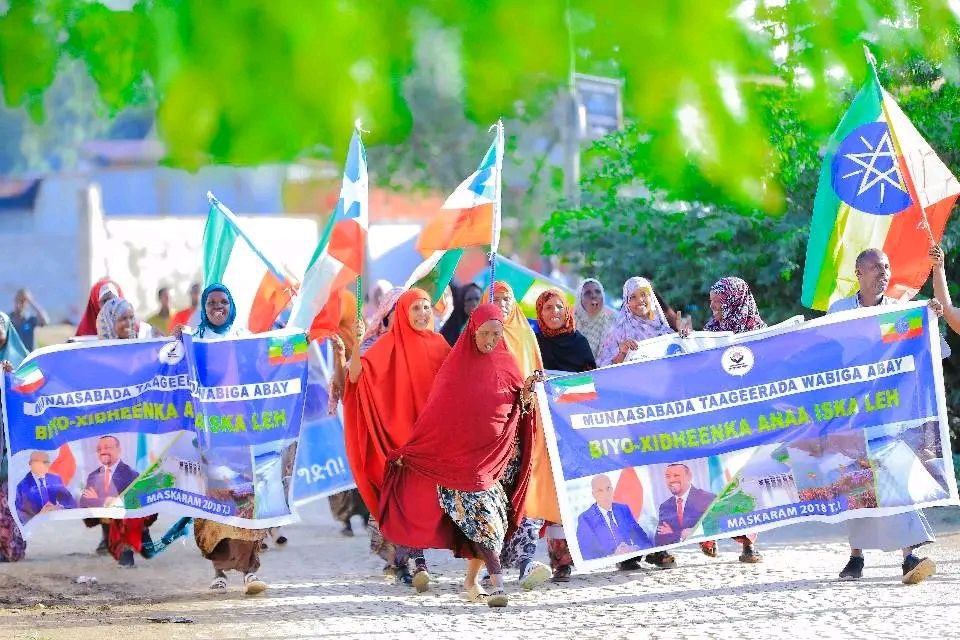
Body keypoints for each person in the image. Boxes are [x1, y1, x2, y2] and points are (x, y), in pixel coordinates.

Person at [379, 304, 541, 607]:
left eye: (496, 333)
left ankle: (470, 582)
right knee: (484, 522)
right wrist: (413, 452)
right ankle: (499, 586)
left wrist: (528, 393)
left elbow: (520, 409)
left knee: (491, 525)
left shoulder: (507, 363)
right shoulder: (454, 369)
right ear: (472, 331)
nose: (491, 340)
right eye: (485, 334)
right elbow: (435, 419)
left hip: (492, 464)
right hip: (457, 466)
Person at [828, 248, 941, 584]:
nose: (883, 273)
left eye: (887, 267)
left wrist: (930, 318)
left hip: (890, 414)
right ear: (858, 273)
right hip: (851, 415)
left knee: (897, 482)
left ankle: (909, 557)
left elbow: (921, 350)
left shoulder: (900, 313)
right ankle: (855, 558)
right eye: (876, 268)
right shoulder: (839, 312)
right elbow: (827, 360)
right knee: (857, 483)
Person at [343, 288, 450, 591]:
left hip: (429, 443)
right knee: (406, 503)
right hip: (397, 444)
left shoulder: (440, 345)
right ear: (401, 312)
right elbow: (356, 380)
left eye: (426, 307)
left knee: (425, 505)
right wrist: (356, 344)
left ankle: (409, 562)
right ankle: (416, 563)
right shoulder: (386, 345)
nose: (421, 314)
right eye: (414, 308)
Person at [173, 284, 269, 594]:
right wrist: (177, 344)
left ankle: (249, 571)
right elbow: (175, 372)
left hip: (241, 434)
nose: (218, 307)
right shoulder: (195, 340)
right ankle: (219, 570)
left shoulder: (243, 339)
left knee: (245, 500)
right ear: (204, 307)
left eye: (223, 301)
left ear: (231, 305)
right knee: (214, 501)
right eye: (212, 302)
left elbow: (265, 370)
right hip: (209, 436)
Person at [485, 281, 552, 590]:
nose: (501, 304)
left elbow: (536, 376)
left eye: (506, 298)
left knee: (526, 488)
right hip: (493, 431)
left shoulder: (525, 333)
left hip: (525, 427)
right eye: (495, 299)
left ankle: (526, 562)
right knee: (495, 497)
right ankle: (492, 563)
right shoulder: (482, 336)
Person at [699, 276, 765, 563]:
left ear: (734, 301)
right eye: (711, 303)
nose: (713, 308)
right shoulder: (709, 333)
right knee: (718, 478)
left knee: (748, 478)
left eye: (719, 303)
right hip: (719, 419)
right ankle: (709, 534)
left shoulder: (759, 332)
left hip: (750, 419)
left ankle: (749, 543)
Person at [533, 289, 595, 581]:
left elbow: (591, 386)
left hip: (575, 430)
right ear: (539, 312)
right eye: (547, 309)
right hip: (545, 429)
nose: (554, 312)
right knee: (555, 493)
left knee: (578, 490)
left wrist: (562, 391)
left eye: (559, 307)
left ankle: (586, 550)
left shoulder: (580, 343)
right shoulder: (534, 343)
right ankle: (561, 561)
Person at [597, 276, 690, 366]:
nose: (640, 300)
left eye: (644, 294)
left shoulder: (663, 328)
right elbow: (606, 368)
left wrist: (684, 337)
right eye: (633, 297)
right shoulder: (618, 333)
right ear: (626, 302)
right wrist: (622, 353)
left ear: (651, 298)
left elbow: (679, 357)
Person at [0, 319, 29, 561]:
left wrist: (13, 376)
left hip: (13, 440)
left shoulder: (20, 358)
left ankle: (12, 545)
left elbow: (36, 387)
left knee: (11, 492)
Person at [576, 474, 653, 561]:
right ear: (593, 494)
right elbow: (587, 555)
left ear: (612, 490)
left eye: (608, 488)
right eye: (600, 490)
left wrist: (635, 548)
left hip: (631, 559)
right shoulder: (585, 519)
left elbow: (642, 538)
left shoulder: (623, 509)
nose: (606, 494)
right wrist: (613, 557)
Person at [655, 463, 715, 546]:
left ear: (689, 477)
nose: (671, 480)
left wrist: (673, 533)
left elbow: (717, 527)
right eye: (668, 476)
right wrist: (680, 534)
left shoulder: (708, 498)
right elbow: (660, 540)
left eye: (676, 475)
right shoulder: (664, 507)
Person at [15, 451, 75, 523]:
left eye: (45, 462)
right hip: (37, 528)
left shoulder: (55, 479)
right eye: (38, 462)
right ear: (30, 464)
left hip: (56, 522)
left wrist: (59, 508)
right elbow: (22, 517)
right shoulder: (22, 486)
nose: (42, 465)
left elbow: (70, 502)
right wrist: (39, 516)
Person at [574, 279, 616, 359]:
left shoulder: (613, 322)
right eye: (587, 293)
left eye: (597, 291)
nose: (593, 295)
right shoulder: (569, 324)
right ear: (580, 299)